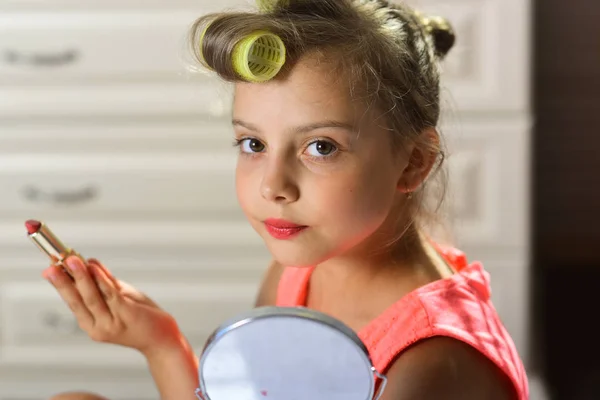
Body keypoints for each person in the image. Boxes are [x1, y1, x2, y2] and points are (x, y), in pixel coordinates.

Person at [46, 0, 529, 399]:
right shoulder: (297, 272)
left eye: (321, 147)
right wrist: (162, 344)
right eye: (253, 144)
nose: (272, 186)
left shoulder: (430, 364)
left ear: (413, 163)